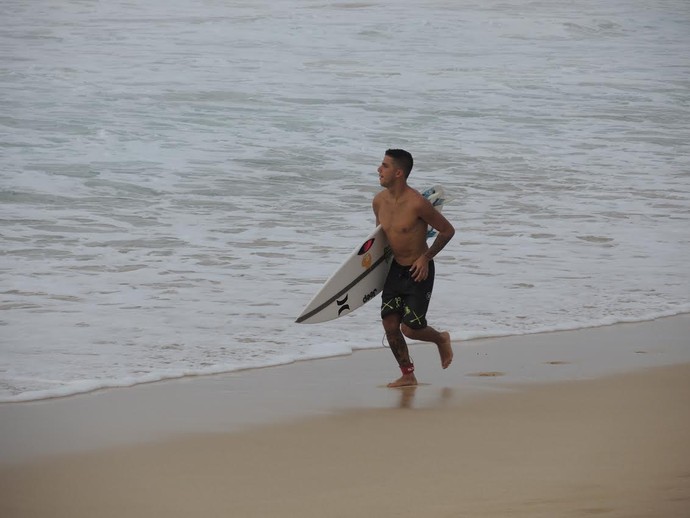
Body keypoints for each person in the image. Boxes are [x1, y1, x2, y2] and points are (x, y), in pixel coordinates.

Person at [373, 149, 455, 387]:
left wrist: (426, 257)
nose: (379, 169)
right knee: (390, 326)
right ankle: (408, 374)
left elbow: (447, 230)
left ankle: (441, 339)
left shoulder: (417, 203)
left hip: (419, 271)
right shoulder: (378, 201)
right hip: (394, 270)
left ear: (398, 173)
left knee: (410, 329)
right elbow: (380, 239)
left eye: (385, 166)